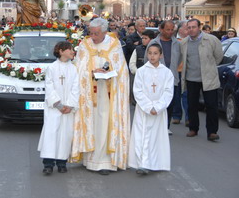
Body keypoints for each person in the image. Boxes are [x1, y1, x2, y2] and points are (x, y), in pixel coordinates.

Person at [71, 18, 130, 175]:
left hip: (108, 93)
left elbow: (121, 69)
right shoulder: (85, 45)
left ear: (105, 32)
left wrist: (109, 71)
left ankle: (104, 162)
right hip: (89, 94)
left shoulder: (114, 44)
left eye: (96, 33)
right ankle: (89, 159)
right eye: (91, 33)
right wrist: (90, 73)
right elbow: (78, 67)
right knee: (92, 123)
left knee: (105, 124)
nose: (93, 36)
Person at [129, 43, 174, 175]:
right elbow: (137, 91)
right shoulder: (141, 71)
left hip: (159, 111)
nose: (152, 56)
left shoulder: (167, 73)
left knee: (156, 136)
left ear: (161, 55)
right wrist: (148, 107)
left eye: (155, 53)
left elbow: (168, 91)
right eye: (150, 53)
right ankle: (142, 163)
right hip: (143, 109)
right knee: (141, 136)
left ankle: (155, 162)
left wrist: (158, 106)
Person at [38, 41, 79, 175]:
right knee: (51, 134)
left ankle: (62, 162)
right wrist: (59, 105)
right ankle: (48, 164)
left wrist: (70, 105)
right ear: (61, 51)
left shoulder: (73, 68)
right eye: (70, 49)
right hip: (54, 108)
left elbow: (76, 88)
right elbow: (49, 88)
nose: (72, 51)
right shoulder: (52, 68)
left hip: (68, 108)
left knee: (65, 134)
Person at [181, 19, 223, 141]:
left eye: (194, 27)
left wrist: (208, 68)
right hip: (191, 78)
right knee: (192, 105)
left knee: (211, 105)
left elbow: (218, 57)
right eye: (189, 27)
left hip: (209, 78)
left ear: (199, 27)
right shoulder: (184, 43)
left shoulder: (211, 40)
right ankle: (193, 129)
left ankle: (212, 132)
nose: (191, 29)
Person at [146, 20, 181, 135]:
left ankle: (166, 126)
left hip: (171, 78)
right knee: (156, 102)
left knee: (169, 103)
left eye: (172, 30)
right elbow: (147, 60)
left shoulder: (177, 44)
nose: (170, 32)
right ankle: (154, 126)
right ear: (161, 29)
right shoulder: (153, 43)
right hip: (156, 79)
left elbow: (179, 60)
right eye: (168, 29)